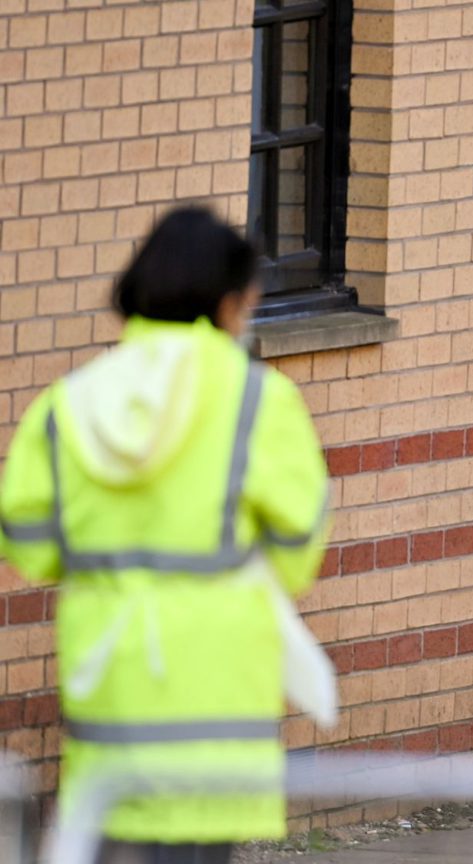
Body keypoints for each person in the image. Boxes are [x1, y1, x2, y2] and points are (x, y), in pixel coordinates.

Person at [0, 208, 331, 864]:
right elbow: (300, 547)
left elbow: (28, 540)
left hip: (109, 686)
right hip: (216, 702)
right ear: (227, 301)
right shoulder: (257, 400)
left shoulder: (71, 401)